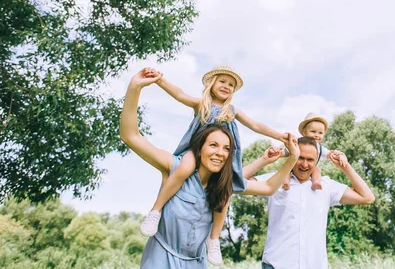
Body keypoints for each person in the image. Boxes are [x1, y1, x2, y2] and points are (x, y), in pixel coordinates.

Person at [120, 69, 300, 268]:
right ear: (211, 84)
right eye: (213, 145)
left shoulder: (231, 114)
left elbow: (267, 184)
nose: (220, 153)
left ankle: (214, 240)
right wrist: (151, 82)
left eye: (226, 148)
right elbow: (134, 133)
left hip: (197, 262)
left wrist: (288, 150)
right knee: (186, 166)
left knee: (225, 190)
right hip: (162, 259)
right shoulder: (181, 157)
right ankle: (155, 211)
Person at [246, 137, 376, 269]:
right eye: (300, 158)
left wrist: (345, 166)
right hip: (276, 264)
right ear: (293, 156)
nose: (304, 164)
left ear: (317, 162)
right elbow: (235, 183)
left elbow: (367, 197)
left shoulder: (327, 186)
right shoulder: (274, 180)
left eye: (310, 160)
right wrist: (264, 161)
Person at [281, 112, 348, 190]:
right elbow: (286, 151)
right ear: (304, 132)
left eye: (320, 133)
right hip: (293, 167)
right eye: (313, 131)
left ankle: (316, 182)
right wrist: (279, 153)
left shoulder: (319, 148)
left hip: (309, 170)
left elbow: (331, 154)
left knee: (316, 169)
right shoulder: (297, 143)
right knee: (285, 166)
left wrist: (340, 155)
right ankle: (286, 182)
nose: (317, 135)